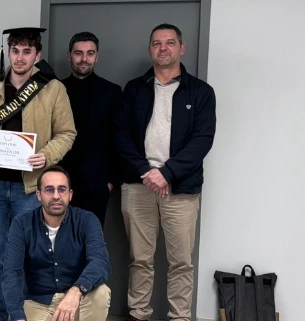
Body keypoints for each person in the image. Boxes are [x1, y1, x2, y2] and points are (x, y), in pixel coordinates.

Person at [0, 27, 76, 321]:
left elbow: (66, 133)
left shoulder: (53, 89)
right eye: (15, 51)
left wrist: (47, 156)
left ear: (37, 55)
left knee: (30, 254)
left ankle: (25, 314)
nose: (20, 57)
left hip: (31, 188)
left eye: (27, 52)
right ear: (7, 53)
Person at [116, 23, 216, 321]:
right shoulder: (134, 89)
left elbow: (202, 140)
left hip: (181, 189)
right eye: (157, 43)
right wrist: (146, 171)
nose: (163, 48)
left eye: (170, 42)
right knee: (140, 260)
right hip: (138, 186)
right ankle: (138, 314)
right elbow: (121, 135)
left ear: (181, 48)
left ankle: (179, 317)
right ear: (150, 50)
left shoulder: (201, 92)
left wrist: (167, 173)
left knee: (181, 262)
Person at [2, 166, 111, 321]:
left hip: (76, 300)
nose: (56, 196)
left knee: (101, 293)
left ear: (70, 194)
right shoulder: (22, 223)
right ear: (38, 195)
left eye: (62, 190)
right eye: (49, 190)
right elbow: (11, 273)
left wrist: (76, 291)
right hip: (38, 302)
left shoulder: (87, 220)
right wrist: (18, 316)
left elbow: (100, 262)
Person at [58, 31, 122, 227]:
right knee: (57, 239)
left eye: (90, 53)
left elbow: (118, 138)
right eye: (78, 53)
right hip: (59, 180)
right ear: (69, 56)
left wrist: (110, 181)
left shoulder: (112, 92)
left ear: (97, 56)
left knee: (91, 240)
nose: (84, 59)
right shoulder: (55, 89)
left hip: (96, 184)